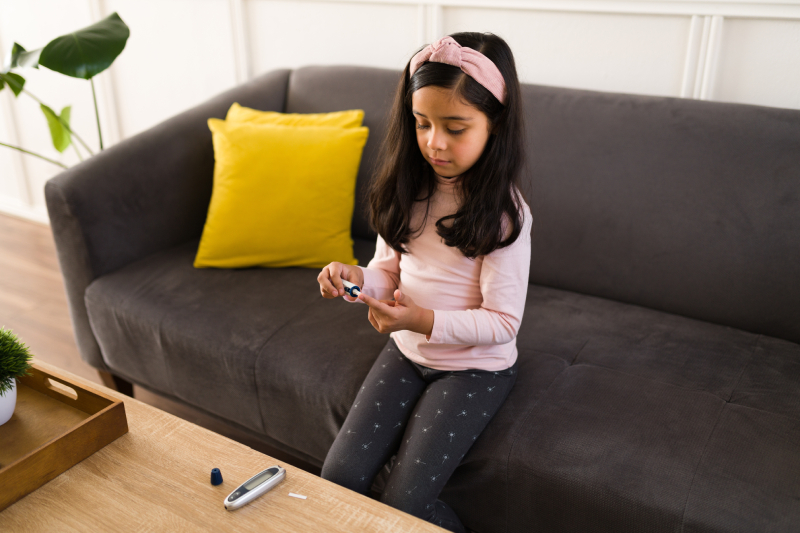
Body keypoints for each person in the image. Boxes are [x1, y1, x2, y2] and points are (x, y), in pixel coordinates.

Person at [316, 32, 532, 533]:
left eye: (456, 128)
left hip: (476, 369)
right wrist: (357, 278)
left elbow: (503, 322)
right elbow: (387, 272)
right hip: (407, 352)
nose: (435, 142)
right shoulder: (406, 187)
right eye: (422, 123)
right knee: (338, 477)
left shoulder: (506, 215)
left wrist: (418, 319)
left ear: (494, 125)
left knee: (405, 505)